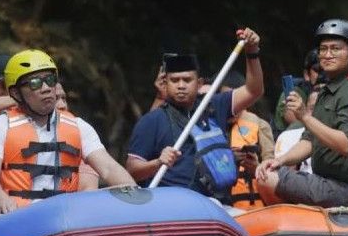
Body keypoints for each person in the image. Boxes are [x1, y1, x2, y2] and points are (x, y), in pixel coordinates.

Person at [0, 49, 136, 218]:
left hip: (65, 216)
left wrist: (133, 191)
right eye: (35, 83)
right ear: (16, 93)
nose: (46, 88)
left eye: (50, 80)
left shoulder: (78, 126)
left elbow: (109, 169)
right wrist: (0, 197)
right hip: (16, 213)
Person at [125, 28, 264, 200]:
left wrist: (251, 52)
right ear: (165, 83)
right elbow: (132, 170)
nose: (181, 85)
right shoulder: (152, 121)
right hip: (173, 205)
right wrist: (158, 162)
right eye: (175, 80)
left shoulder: (215, 104)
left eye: (187, 80)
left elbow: (254, 90)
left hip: (216, 204)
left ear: (199, 83)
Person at [256, 19, 348, 208]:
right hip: (328, 183)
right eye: (323, 49)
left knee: (270, 179)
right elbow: (309, 142)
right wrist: (279, 160)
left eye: (335, 49)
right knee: (268, 172)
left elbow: (345, 144)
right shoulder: (327, 91)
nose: (327, 55)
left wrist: (305, 116)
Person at [212, 71, 274, 209]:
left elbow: (272, 166)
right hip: (219, 205)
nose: (233, 106)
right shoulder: (209, 127)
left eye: (237, 99)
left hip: (253, 206)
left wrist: (257, 167)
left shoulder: (260, 125)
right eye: (227, 101)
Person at [55, 82, 100, 191]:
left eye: (63, 98)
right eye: (55, 99)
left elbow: (88, 191)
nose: (62, 105)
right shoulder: (12, 128)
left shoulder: (79, 130)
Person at [271, 48, 322, 137]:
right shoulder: (293, 92)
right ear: (307, 74)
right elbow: (297, 124)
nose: (323, 75)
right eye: (318, 70)